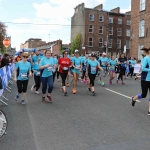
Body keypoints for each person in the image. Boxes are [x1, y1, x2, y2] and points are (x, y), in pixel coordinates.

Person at [131, 47, 150, 115]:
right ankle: (134, 98)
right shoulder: (146, 58)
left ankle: (149, 111)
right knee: (144, 95)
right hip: (145, 79)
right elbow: (143, 68)